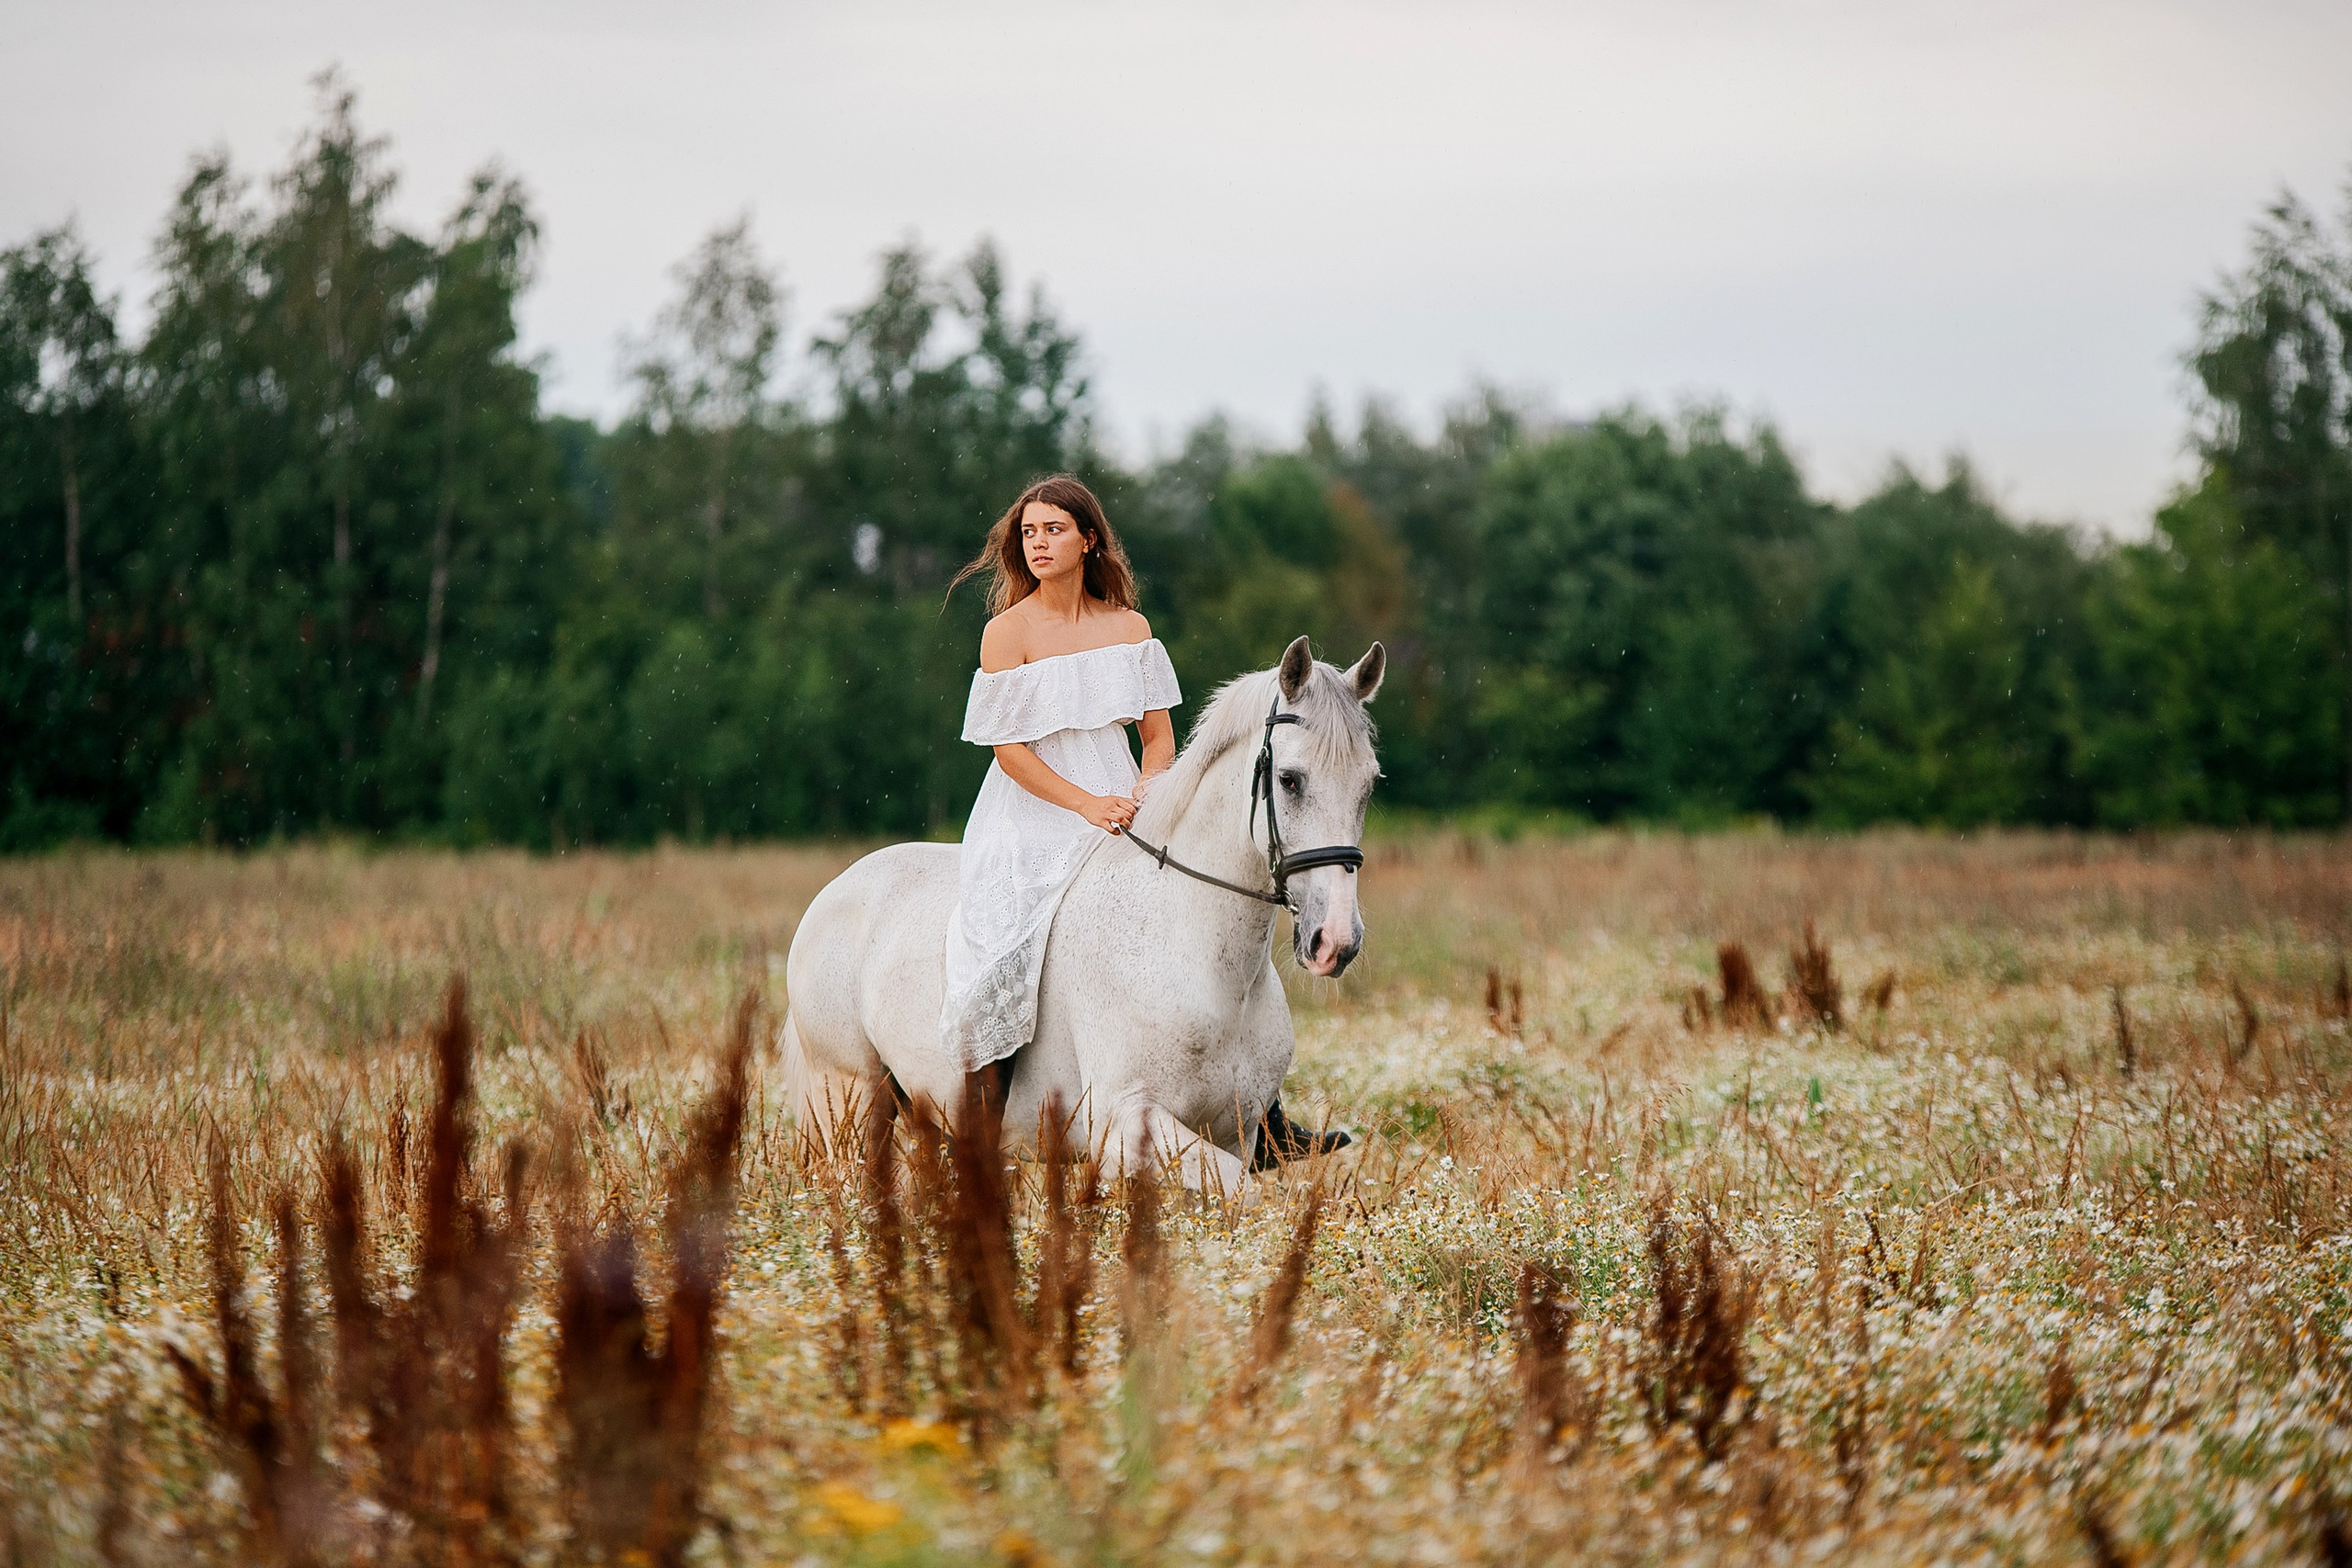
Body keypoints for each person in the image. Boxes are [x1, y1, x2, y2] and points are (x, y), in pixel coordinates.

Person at [942, 473, 1344, 1165]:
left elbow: (1159, 735)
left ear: (1088, 538)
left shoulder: (1130, 630)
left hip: (1126, 803)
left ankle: (1264, 1115)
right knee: (999, 945)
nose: (1038, 543)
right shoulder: (1005, 633)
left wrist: (1147, 788)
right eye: (1029, 532)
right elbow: (1010, 754)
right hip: (1032, 817)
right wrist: (1086, 804)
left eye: (1054, 530)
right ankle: (979, 1121)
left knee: (1198, 921)